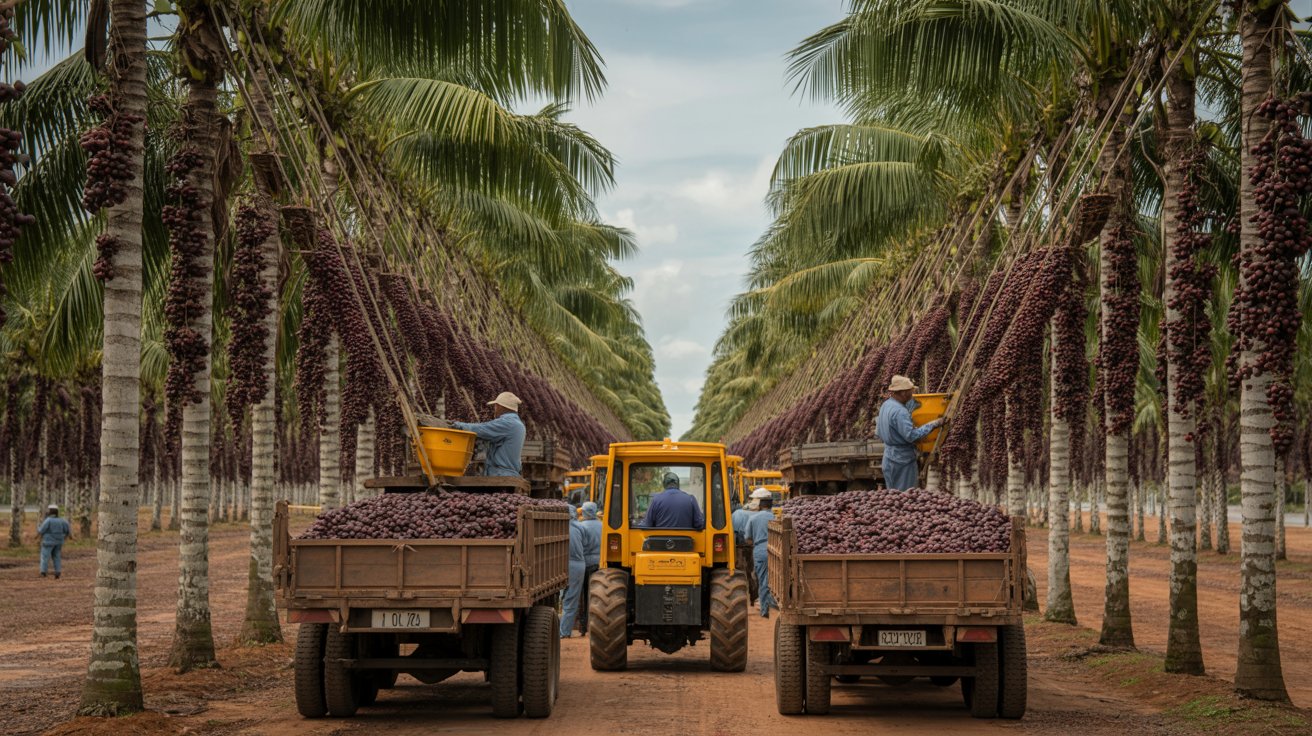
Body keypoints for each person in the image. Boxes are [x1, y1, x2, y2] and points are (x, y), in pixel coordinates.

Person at [874, 375, 943, 491]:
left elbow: (878, 432)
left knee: (892, 497)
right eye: (911, 392)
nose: (912, 395)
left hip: (888, 456)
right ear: (903, 393)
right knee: (906, 497)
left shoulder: (886, 405)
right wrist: (933, 424)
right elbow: (911, 436)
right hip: (903, 460)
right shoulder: (900, 412)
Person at [451, 391, 526, 478]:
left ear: (500, 406)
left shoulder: (508, 423)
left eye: (495, 406)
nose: (495, 409)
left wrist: (457, 425)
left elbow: (482, 429)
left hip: (501, 475)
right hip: (508, 473)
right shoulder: (518, 424)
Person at [560, 506, 602, 637]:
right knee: (592, 596)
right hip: (591, 564)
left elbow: (583, 545)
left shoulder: (559, 527)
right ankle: (591, 627)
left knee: (570, 598)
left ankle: (576, 628)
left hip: (572, 563)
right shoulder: (597, 526)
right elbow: (584, 543)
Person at [744, 497, 776, 617]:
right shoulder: (775, 518)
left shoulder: (753, 518)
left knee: (762, 579)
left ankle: (764, 610)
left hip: (760, 550)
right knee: (775, 579)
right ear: (771, 506)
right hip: (775, 549)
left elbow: (747, 537)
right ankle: (773, 603)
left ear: (759, 506)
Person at [640, 471, 704, 529]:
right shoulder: (691, 499)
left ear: (664, 484)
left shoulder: (656, 500)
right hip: (686, 541)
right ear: (678, 484)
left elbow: (647, 525)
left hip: (661, 541)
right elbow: (699, 524)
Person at [575, 502, 603, 634]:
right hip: (599, 565)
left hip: (584, 564)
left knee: (583, 595)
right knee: (597, 596)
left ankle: (583, 627)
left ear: (584, 512)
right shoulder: (603, 526)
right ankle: (596, 625)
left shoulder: (581, 526)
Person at [37, 505, 71, 580]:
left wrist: (38, 529)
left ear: (50, 511)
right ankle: (58, 572)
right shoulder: (62, 520)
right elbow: (68, 530)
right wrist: (65, 537)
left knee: (45, 557)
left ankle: (43, 571)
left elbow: (42, 530)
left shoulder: (48, 520)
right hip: (59, 542)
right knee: (56, 556)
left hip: (48, 542)